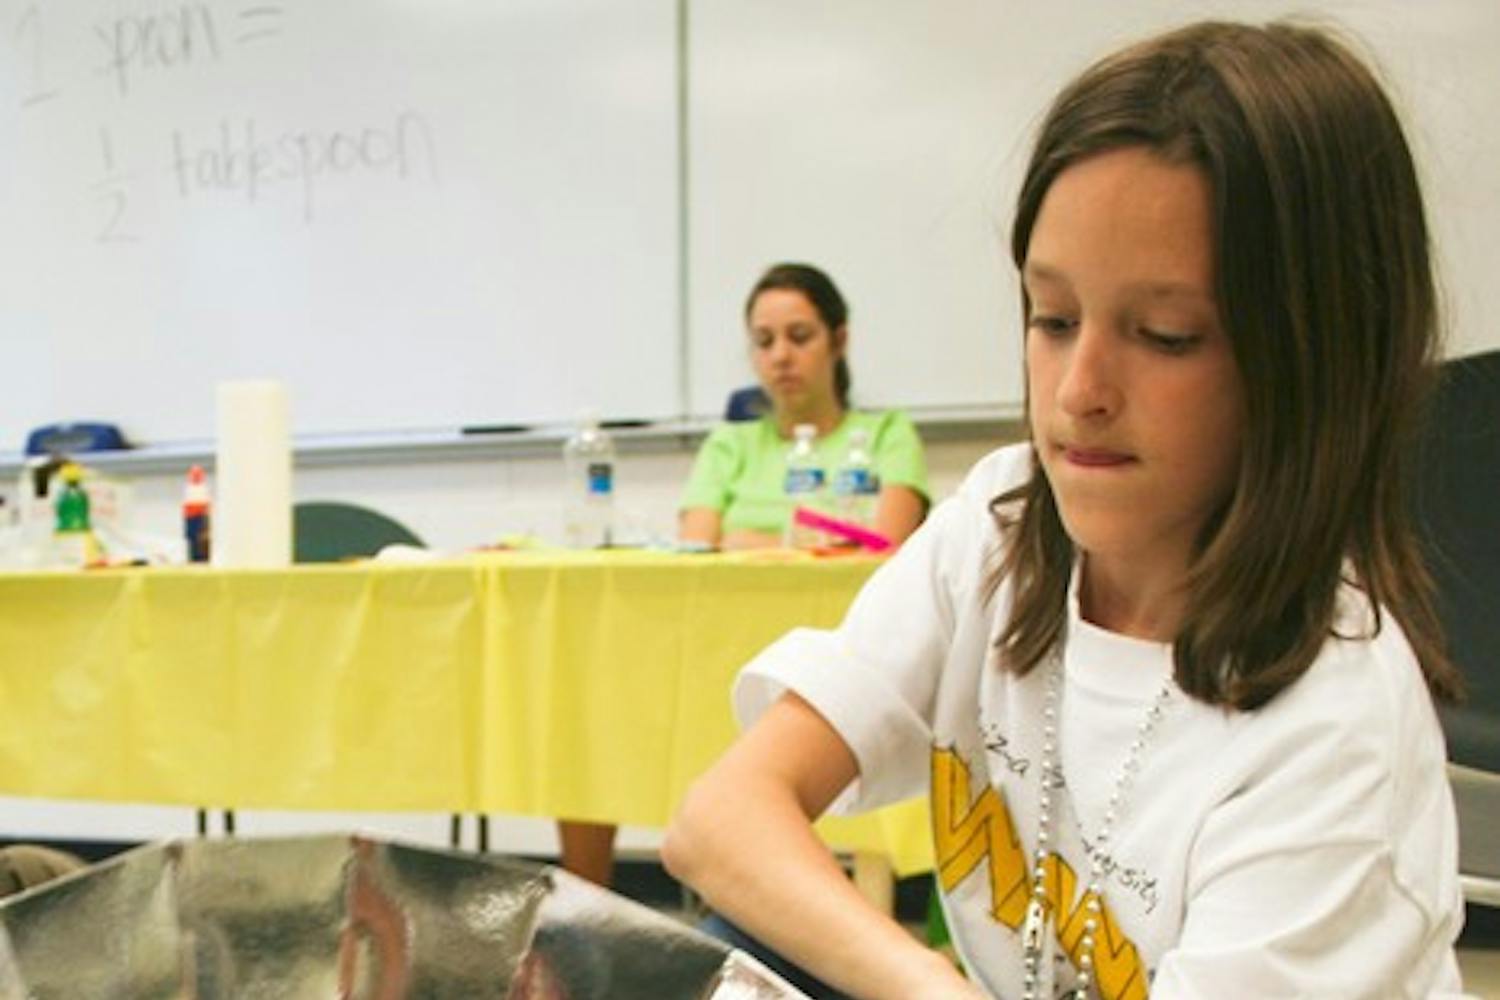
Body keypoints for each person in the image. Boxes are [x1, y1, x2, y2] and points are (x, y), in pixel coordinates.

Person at [664, 19, 1467, 1000]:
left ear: (1315, 357)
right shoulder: (1001, 528)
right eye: (1052, 318)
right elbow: (722, 819)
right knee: (741, 950)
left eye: (1165, 335)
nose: (1079, 390)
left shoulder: (1336, 732)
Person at [558, 262, 932, 887]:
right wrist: (805, 539)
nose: (780, 356)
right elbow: (697, 542)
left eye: (799, 336)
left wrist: (756, 539)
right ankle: (585, 909)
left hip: (842, 648)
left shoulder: (885, 434)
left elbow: (889, 539)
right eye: (764, 341)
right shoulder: (730, 444)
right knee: (596, 706)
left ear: (838, 340)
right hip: (717, 651)